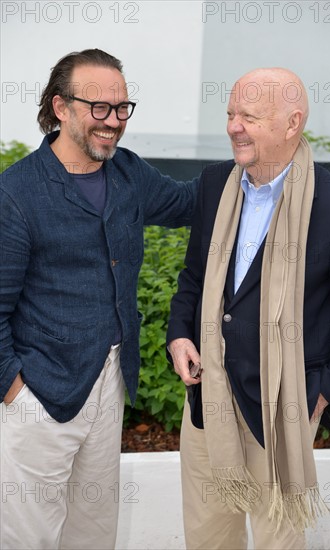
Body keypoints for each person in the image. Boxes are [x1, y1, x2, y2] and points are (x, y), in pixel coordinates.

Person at [0, 49, 197, 550]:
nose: (113, 122)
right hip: (39, 394)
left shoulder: (129, 174)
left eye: (122, 108)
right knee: (30, 538)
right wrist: (15, 392)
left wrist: (250, 158)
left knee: (93, 532)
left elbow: (188, 202)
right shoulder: (16, 193)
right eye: (99, 108)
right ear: (60, 107)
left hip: (109, 381)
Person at [167, 67, 330, 550]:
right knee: (208, 538)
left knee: (279, 542)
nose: (234, 125)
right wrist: (178, 334)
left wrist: (322, 394)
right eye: (231, 113)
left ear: (292, 123)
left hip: (283, 412)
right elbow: (193, 277)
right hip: (206, 407)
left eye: (249, 116)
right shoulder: (216, 185)